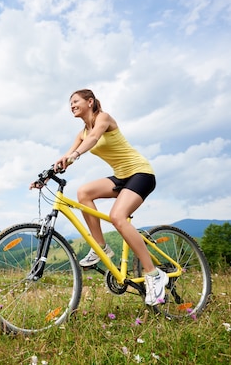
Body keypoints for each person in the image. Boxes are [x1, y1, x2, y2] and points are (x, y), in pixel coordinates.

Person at [48, 89, 167, 306]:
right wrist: (46, 176)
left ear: (90, 101)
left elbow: (94, 138)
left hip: (141, 173)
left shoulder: (103, 118)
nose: (72, 105)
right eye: (70, 103)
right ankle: (101, 247)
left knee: (117, 217)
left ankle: (154, 274)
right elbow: (67, 155)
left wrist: (76, 155)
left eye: (75, 101)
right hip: (121, 177)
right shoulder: (82, 132)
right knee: (83, 192)